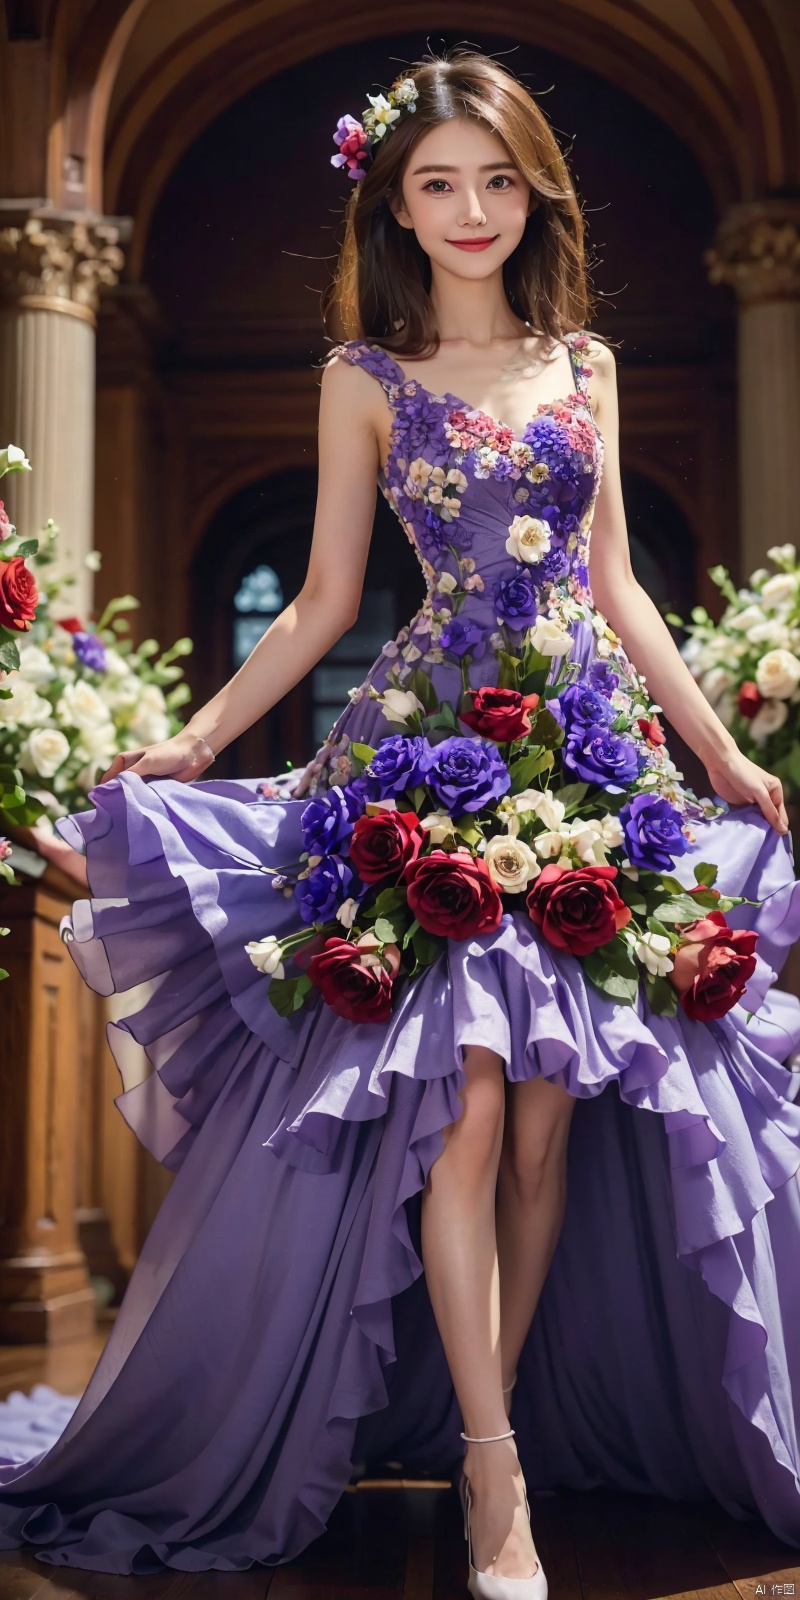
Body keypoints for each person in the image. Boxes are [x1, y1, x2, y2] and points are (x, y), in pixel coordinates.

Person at [1, 47, 800, 1596]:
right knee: (471, 1107)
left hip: (585, 757)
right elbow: (320, 605)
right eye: (440, 185)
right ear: (397, 205)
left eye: (498, 179)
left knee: (547, 1126)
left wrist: (715, 753)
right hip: (425, 755)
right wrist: (198, 734)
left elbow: (620, 587)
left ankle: (472, 1434)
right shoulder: (362, 379)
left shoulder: (590, 367)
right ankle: (494, 1482)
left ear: (532, 191)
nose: (473, 209)